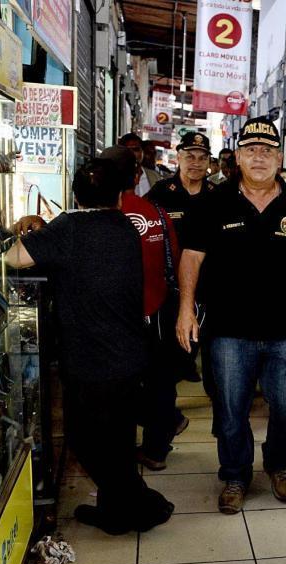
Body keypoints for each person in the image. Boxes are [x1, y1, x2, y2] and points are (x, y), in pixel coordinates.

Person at [6, 159, 174, 534]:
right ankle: (118, 512)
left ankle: (142, 505)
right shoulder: (124, 226)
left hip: (90, 357)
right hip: (129, 353)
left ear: (75, 195)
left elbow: (14, 258)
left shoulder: (71, 227)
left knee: (85, 439)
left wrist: (25, 231)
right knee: (117, 440)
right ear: (119, 196)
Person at [176, 117, 286, 513]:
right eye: (251, 150)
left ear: (279, 157)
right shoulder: (214, 201)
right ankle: (235, 474)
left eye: (268, 151)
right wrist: (185, 309)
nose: (259, 157)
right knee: (230, 408)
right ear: (238, 157)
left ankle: (278, 463)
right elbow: (191, 256)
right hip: (228, 331)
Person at [99, 146, 185, 471]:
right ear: (137, 176)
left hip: (114, 320)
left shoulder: (99, 217)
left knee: (117, 387)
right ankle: (156, 448)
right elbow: (174, 264)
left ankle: (120, 453)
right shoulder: (158, 215)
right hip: (158, 312)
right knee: (160, 382)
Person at [147, 132, 216, 387]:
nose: (196, 163)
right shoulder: (162, 192)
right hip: (171, 286)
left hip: (210, 284)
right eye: (190, 156)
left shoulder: (217, 195)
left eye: (202, 157)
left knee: (211, 345)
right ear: (179, 158)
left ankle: (214, 390)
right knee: (171, 348)